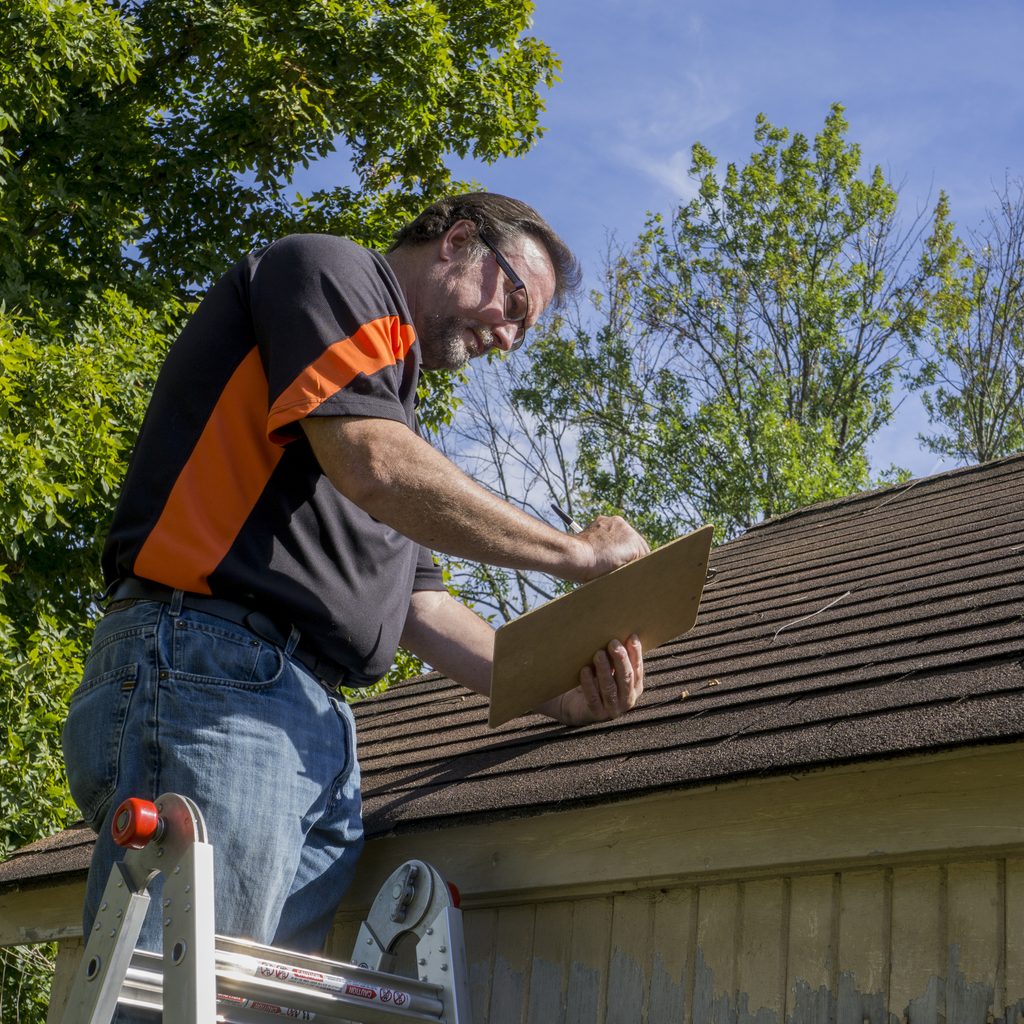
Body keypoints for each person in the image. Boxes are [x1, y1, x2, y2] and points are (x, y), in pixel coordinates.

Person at [62, 193, 649, 961]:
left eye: (522, 329)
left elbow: (422, 610)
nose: (507, 338)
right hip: (214, 675)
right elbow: (373, 466)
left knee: (246, 1008)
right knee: (187, 999)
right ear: (460, 241)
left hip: (307, 724)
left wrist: (560, 695)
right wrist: (575, 554)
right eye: (511, 303)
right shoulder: (331, 272)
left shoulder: (389, 424)